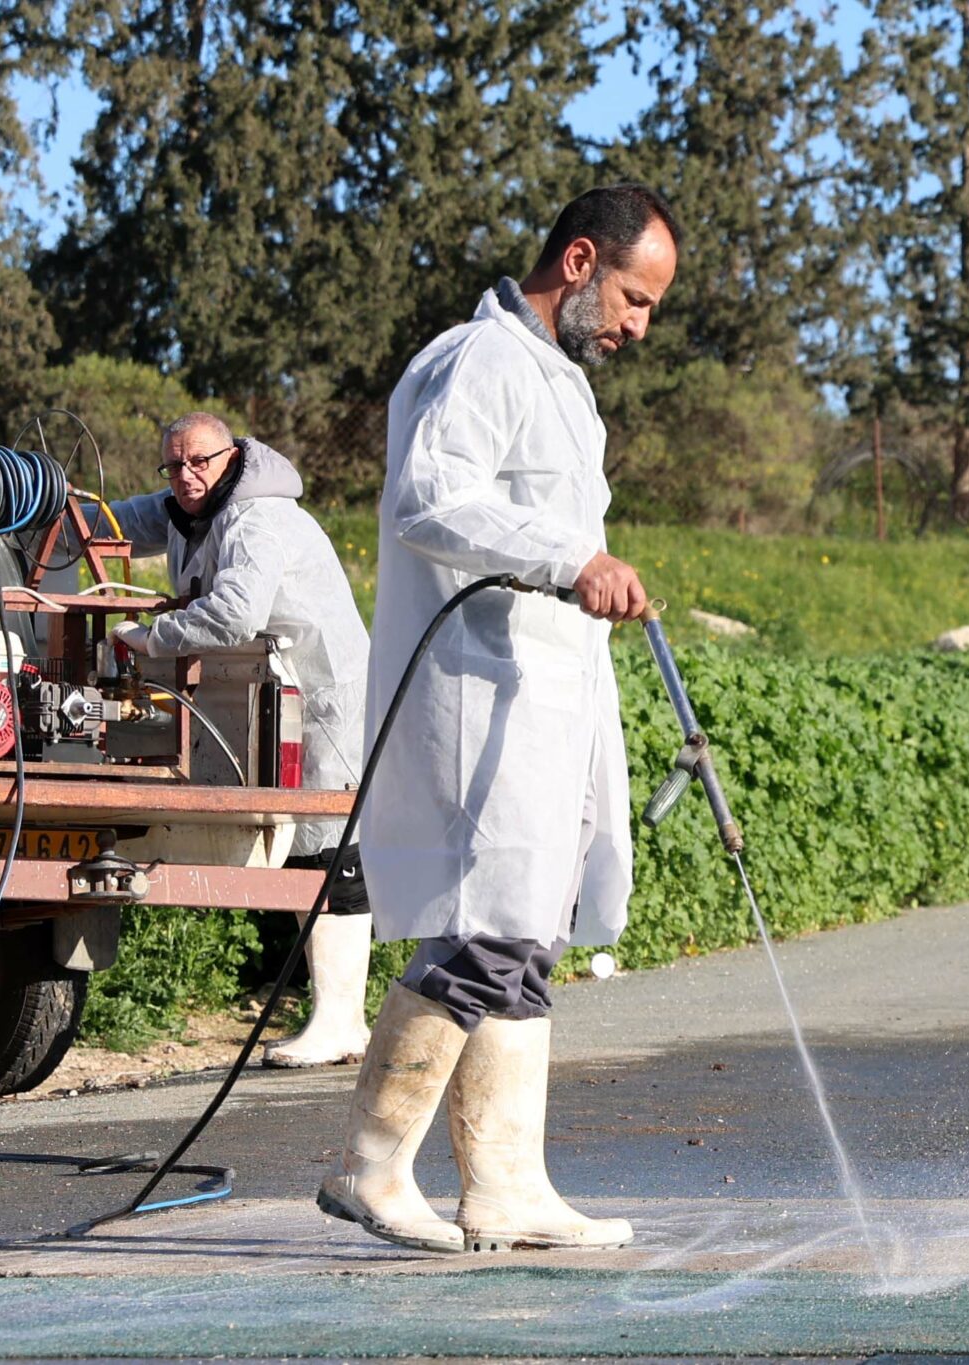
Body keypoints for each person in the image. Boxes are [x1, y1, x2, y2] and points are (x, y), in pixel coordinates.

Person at [317, 184, 678, 1254]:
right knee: (485, 934)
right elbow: (429, 498)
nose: (636, 326)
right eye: (632, 296)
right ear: (577, 261)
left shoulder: (559, 382)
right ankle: (370, 1166)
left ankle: (506, 1185)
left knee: (526, 941)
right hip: (477, 697)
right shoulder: (475, 361)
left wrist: (584, 573)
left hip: (546, 697)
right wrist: (573, 560)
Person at [98, 412, 374, 1068]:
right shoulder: (186, 505)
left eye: (199, 461)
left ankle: (341, 1019)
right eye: (173, 464)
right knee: (305, 846)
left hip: (325, 692)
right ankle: (339, 1017)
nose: (185, 476)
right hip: (274, 693)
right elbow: (113, 522)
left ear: (232, 456)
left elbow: (233, 612)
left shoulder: (258, 518)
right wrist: (39, 513)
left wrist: (148, 638)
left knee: (329, 847)